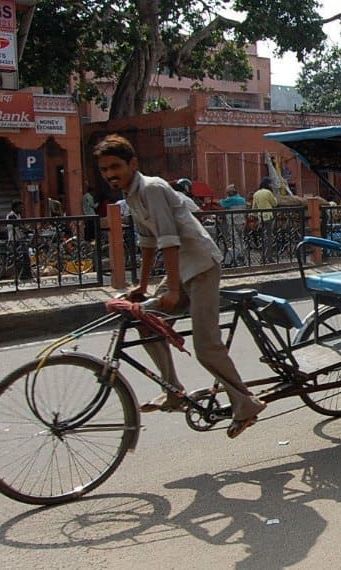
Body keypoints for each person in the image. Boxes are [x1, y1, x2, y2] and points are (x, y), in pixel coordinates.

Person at [93, 134, 266, 438]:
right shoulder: (132, 194)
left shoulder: (152, 188)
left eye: (116, 167)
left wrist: (173, 290)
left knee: (205, 346)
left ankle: (245, 403)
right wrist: (142, 286)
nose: (110, 174)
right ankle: (173, 390)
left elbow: (169, 242)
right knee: (145, 320)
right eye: (105, 169)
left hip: (200, 266)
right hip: (181, 270)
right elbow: (148, 242)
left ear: (133, 164)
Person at [251, 177, 278, 261]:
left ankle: (263, 256)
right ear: (268, 184)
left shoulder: (256, 193)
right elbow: (274, 203)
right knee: (269, 237)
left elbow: (254, 207)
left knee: (263, 237)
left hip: (260, 218)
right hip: (269, 217)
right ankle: (269, 257)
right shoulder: (268, 192)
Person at [5, 200, 33, 280]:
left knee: (26, 257)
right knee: (19, 258)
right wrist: (27, 230)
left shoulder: (19, 215)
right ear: (15, 207)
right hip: (14, 240)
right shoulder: (11, 216)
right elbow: (19, 225)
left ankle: (27, 274)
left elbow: (22, 225)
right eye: (20, 207)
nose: (21, 209)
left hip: (20, 239)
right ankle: (22, 275)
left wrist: (27, 229)